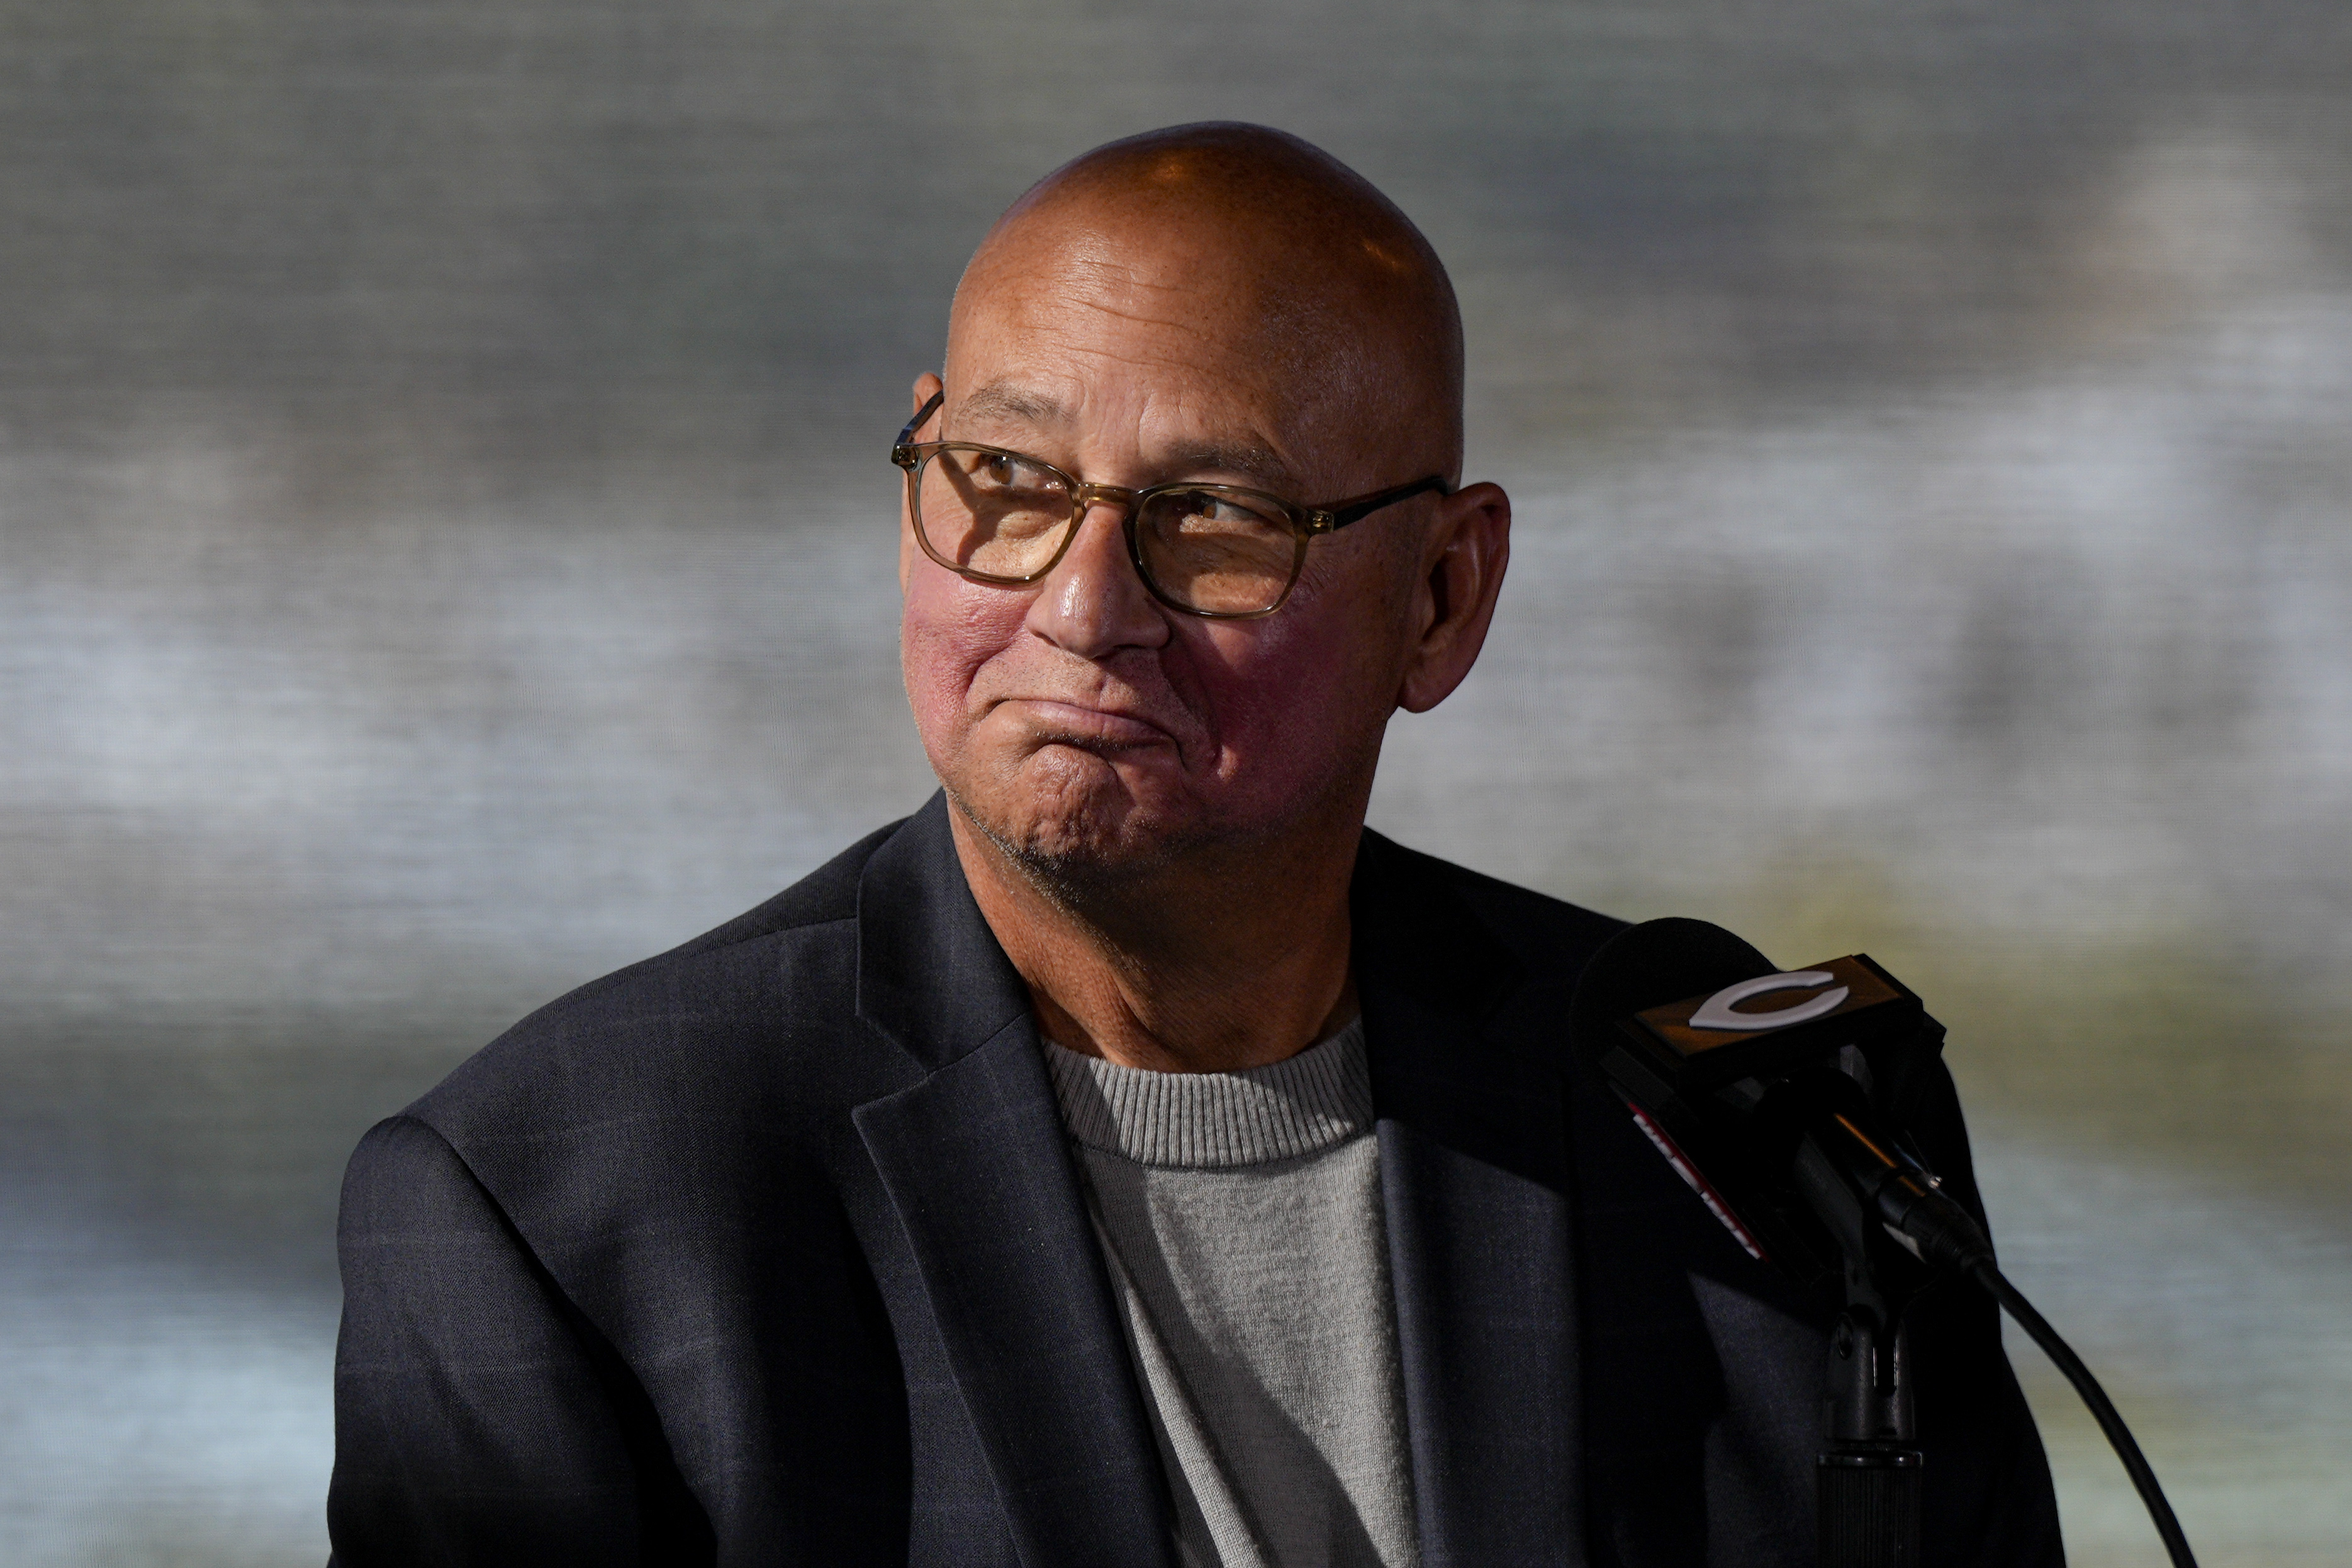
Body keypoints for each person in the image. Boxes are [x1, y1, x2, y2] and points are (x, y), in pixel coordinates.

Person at [327, 123, 2061, 1567]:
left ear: (1443, 596)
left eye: (1217, 517)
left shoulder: (1751, 1130)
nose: (1081, 607)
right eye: (1002, 477)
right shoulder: (564, 1208)